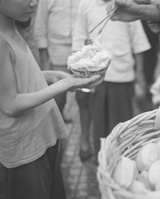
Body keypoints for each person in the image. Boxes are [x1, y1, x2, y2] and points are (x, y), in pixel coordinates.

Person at [0, 0, 104, 198]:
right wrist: (63, 85)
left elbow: (20, 76)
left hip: (41, 139)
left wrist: (54, 76)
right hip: (24, 152)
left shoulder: (13, 30)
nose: (34, 3)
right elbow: (10, 104)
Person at [73, 0, 151, 161]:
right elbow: (79, 37)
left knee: (121, 123)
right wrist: (81, 73)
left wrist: (140, 76)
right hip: (96, 77)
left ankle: (122, 159)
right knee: (99, 121)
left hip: (122, 76)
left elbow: (138, 42)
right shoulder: (85, 5)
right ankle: (102, 160)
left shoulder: (127, 5)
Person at [34, 0, 81, 118]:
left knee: (83, 93)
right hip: (57, 49)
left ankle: (83, 133)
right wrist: (44, 60)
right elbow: (40, 24)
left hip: (81, 48)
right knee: (59, 91)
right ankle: (58, 124)